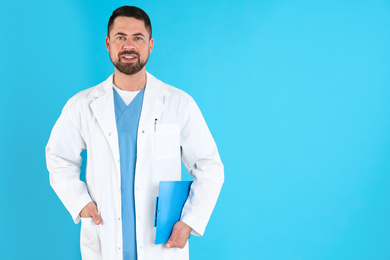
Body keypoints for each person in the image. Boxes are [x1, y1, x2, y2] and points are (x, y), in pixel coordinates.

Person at [46, 5, 224, 260]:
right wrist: (80, 203)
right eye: (121, 37)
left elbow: (210, 167)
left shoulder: (178, 104)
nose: (129, 46)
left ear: (150, 44)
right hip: (103, 240)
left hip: (161, 247)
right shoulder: (82, 106)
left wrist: (190, 221)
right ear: (108, 43)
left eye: (137, 38)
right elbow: (59, 158)